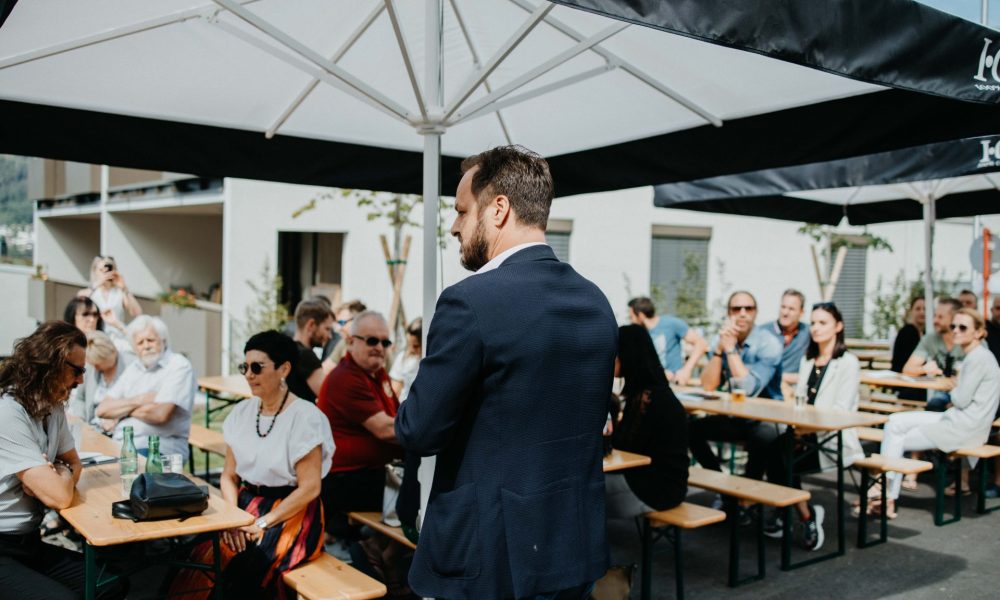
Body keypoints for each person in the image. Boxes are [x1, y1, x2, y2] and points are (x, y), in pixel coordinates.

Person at [396, 146, 618, 600]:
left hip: (490, 556)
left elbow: (418, 430)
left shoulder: (470, 301)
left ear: (498, 209)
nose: (454, 226)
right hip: (572, 544)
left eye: (461, 211)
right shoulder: (596, 301)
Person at [170, 331, 334, 599]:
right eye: (244, 367)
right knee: (201, 555)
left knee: (249, 568)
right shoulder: (242, 413)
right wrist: (233, 518)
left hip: (291, 512)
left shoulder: (306, 418)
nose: (248, 374)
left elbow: (310, 489)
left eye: (257, 367)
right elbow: (228, 476)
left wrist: (262, 523)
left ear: (284, 369)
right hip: (246, 505)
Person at [0, 321, 122, 599]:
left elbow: (74, 463)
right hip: (3, 547)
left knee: (110, 583)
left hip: (29, 542)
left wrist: (57, 473)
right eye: (77, 370)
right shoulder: (8, 412)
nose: (81, 380)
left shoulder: (53, 404)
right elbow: (59, 498)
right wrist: (57, 480)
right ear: (49, 363)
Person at [877, 308, 1000, 518]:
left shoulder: (977, 358)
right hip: (962, 421)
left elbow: (960, 399)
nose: (956, 331)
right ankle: (885, 493)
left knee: (895, 435)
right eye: (954, 326)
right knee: (894, 422)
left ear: (979, 332)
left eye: (963, 327)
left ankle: (885, 496)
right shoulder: (978, 356)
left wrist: (953, 387)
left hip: (963, 428)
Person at [767, 302, 863, 551]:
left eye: (823, 323)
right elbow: (801, 403)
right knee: (767, 447)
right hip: (804, 434)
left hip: (831, 439)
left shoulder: (848, 362)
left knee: (779, 459)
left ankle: (798, 514)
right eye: (814, 323)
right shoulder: (808, 360)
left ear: (838, 327)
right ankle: (802, 511)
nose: (816, 328)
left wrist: (804, 429)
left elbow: (840, 413)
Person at [317, 311, 401, 542]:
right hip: (345, 481)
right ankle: (387, 551)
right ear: (351, 342)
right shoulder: (346, 378)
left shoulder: (377, 374)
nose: (379, 347)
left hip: (368, 473)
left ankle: (386, 550)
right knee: (425, 491)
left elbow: (397, 414)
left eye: (385, 342)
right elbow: (387, 430)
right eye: (372, 340)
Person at [688, 291, 784, 492]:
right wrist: (719, 350)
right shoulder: (723, 340)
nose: (742, 313)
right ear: (728, 313)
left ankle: (747, 499)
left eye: (748, 308)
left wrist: (730, 350)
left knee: (762, 438)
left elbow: (748, 388)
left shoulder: (770, 343)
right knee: (688, 429)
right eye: (736, 309)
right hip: (737, 417)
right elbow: (708, 385)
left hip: (767, 419)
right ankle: (722, 488)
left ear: (755, 313)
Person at [607, 324, 688, 518]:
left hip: (655, 490)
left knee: (577, 490)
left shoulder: (648, 399)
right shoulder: (651, 392)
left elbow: (622, 448)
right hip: (660, 484)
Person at [95, 315, 196, 460]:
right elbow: (102, 409)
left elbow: (160, 414)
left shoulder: (179, 366)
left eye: (150, 340)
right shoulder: (134, 369)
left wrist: (122, 410)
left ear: (163, 340)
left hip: (159, 449)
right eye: (140, 343)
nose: (146, 346)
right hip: (121, 443)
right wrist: (141, 400)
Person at [626, 297, 708, 385]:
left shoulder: (671, 323)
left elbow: (701, 344)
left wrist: (686, 370)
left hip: (673, 384)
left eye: (631, 317)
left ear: (641, 316)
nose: (631, 321)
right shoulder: (638, 332)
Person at [902, 298, 963, 411]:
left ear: (954, 319)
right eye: (935, 316)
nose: (935, 320)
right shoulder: (930, 339)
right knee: (933, 406)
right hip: (943, 393)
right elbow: (907, 369)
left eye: (940, 317)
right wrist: (925, 369)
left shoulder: (969, 339)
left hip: (969, 394)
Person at [68, 331, 132, 424]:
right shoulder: (91, 367)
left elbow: (137, 404)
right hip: (92, 426)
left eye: (99, 362)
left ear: (113, 352)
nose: (96, 367)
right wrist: (80, 420)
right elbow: (80, 399)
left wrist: (117, 420)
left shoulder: (130, 365)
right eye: (94, 363)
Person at [77, 256, 142, 345]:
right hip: (95, 338)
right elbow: (78, 303)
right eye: (102, 270)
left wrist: (124, 287)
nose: (106, 272)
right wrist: (97, 284)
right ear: (95, 271)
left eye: (110, 269)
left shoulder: (119, 293)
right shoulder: (91, 291)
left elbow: (136, 313)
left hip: (118, 338)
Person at [762, 289, 810, 400]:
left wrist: (789, 378)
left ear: (801, 313)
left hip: (794, 392)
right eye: (783, 307)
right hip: (767, 390)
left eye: (791, 309)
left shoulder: (809, 333)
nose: (785, 313)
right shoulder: (763, 332)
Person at [288, 298, 334, 402]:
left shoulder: (287, 350)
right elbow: (331, 398)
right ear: (311, 325)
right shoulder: (305, 356)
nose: (330, 336)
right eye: (327, 329)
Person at [891, 296, 926, 404]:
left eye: (925, 309)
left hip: (914, 382)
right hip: (905, 383)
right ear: (911, 311)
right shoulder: (908, 332)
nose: (922, 312)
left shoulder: (924, 333)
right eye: (918, 308)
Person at [323, 299, 367, 370]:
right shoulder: (344, 342)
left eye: (341, 323)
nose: (338, 328)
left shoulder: (373, 346)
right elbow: (325, 369)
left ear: (356, 321)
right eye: (337, 323)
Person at [389, 318, 422, 403]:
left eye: (415, 346)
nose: (411, 350)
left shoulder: (427, 360)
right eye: (409, 344)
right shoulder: (402, 358)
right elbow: (395, 389)